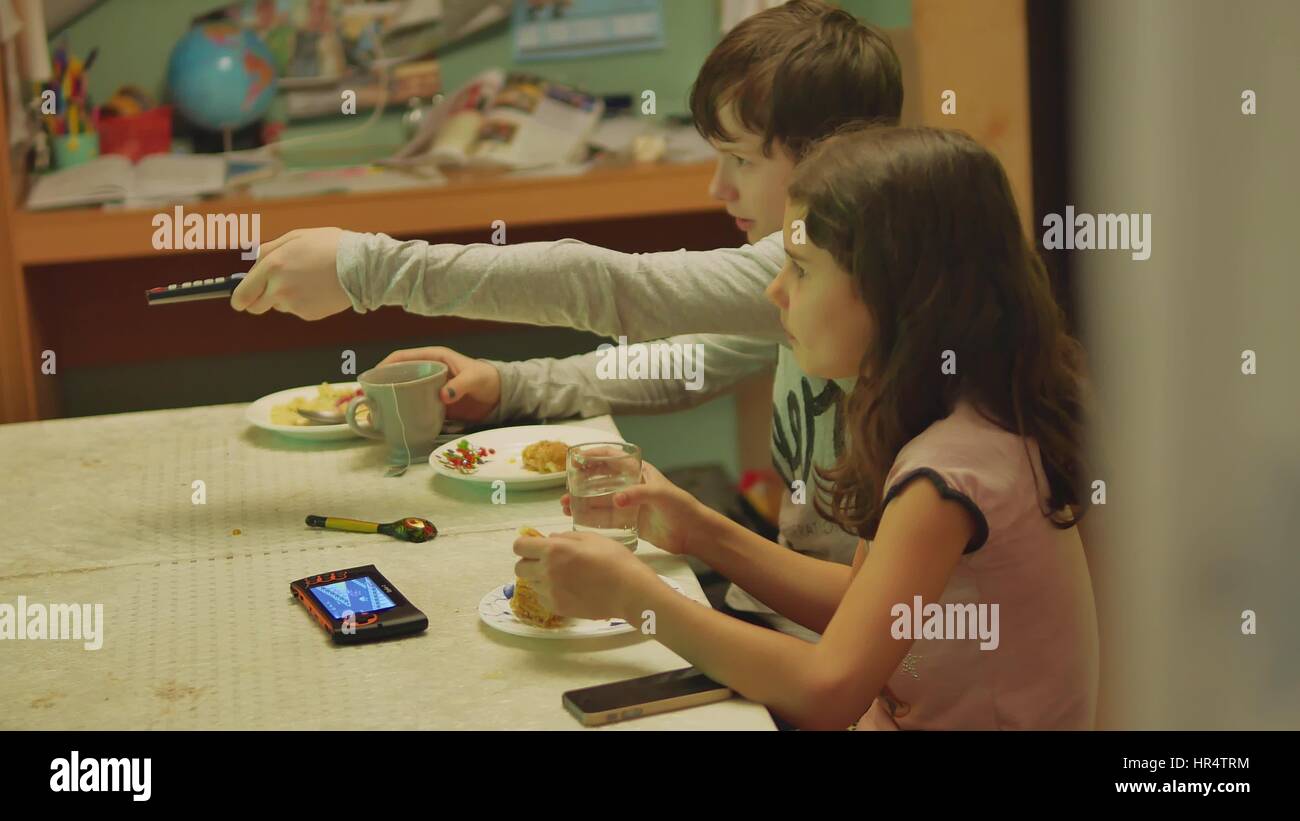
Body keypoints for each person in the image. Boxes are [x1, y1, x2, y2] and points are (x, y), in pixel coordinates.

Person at [230, 0, 904, 639]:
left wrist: (366, 268)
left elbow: (617, 288)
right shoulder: (802, 282)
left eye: (739, 159)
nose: (717, 187)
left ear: (826, 162)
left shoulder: (841, 265)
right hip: (787, 612)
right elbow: (682, 363)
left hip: (835, 641)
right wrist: (509, 386)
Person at [519, 125, 1099, 730]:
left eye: (800, 268)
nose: (775, 289)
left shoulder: (950, 474)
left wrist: (634, 600)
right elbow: (863, 603)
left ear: (896, 293)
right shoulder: (963, 419)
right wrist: (700, 531)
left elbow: (830, 690)